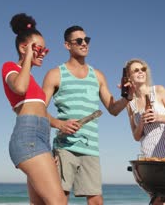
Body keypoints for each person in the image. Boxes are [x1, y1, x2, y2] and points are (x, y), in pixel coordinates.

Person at [42, 25, 133, 205]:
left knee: (96, 200)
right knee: (60, 198)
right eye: (79, 41)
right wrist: (59, 124)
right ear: (67, 45)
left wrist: (127, 97)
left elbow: (113, 109)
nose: (84, 44)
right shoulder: (55, 74)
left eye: (86, 40)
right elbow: (38, 109)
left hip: (90, 149)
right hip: (64, 147)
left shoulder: (97, 76)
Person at [1, 13, 65, 204]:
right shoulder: (10, 67)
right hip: (28, 137)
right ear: (23, 48)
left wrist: (61, 124)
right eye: (39, 49)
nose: (43, 53)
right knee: (58, 201)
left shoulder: (32, 82)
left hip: (41, 139)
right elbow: (19, 87)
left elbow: (42, 112)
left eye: (46, 50)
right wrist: (28, 57)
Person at [125, 59, 165, 205]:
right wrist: (142, 122)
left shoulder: (159, 90)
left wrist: (158, 117)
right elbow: (136, 136)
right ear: (128, 76)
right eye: (135, 70)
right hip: (149, 155)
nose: (140, 72)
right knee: (157, 197)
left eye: (142, 69)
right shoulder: (129, 103)